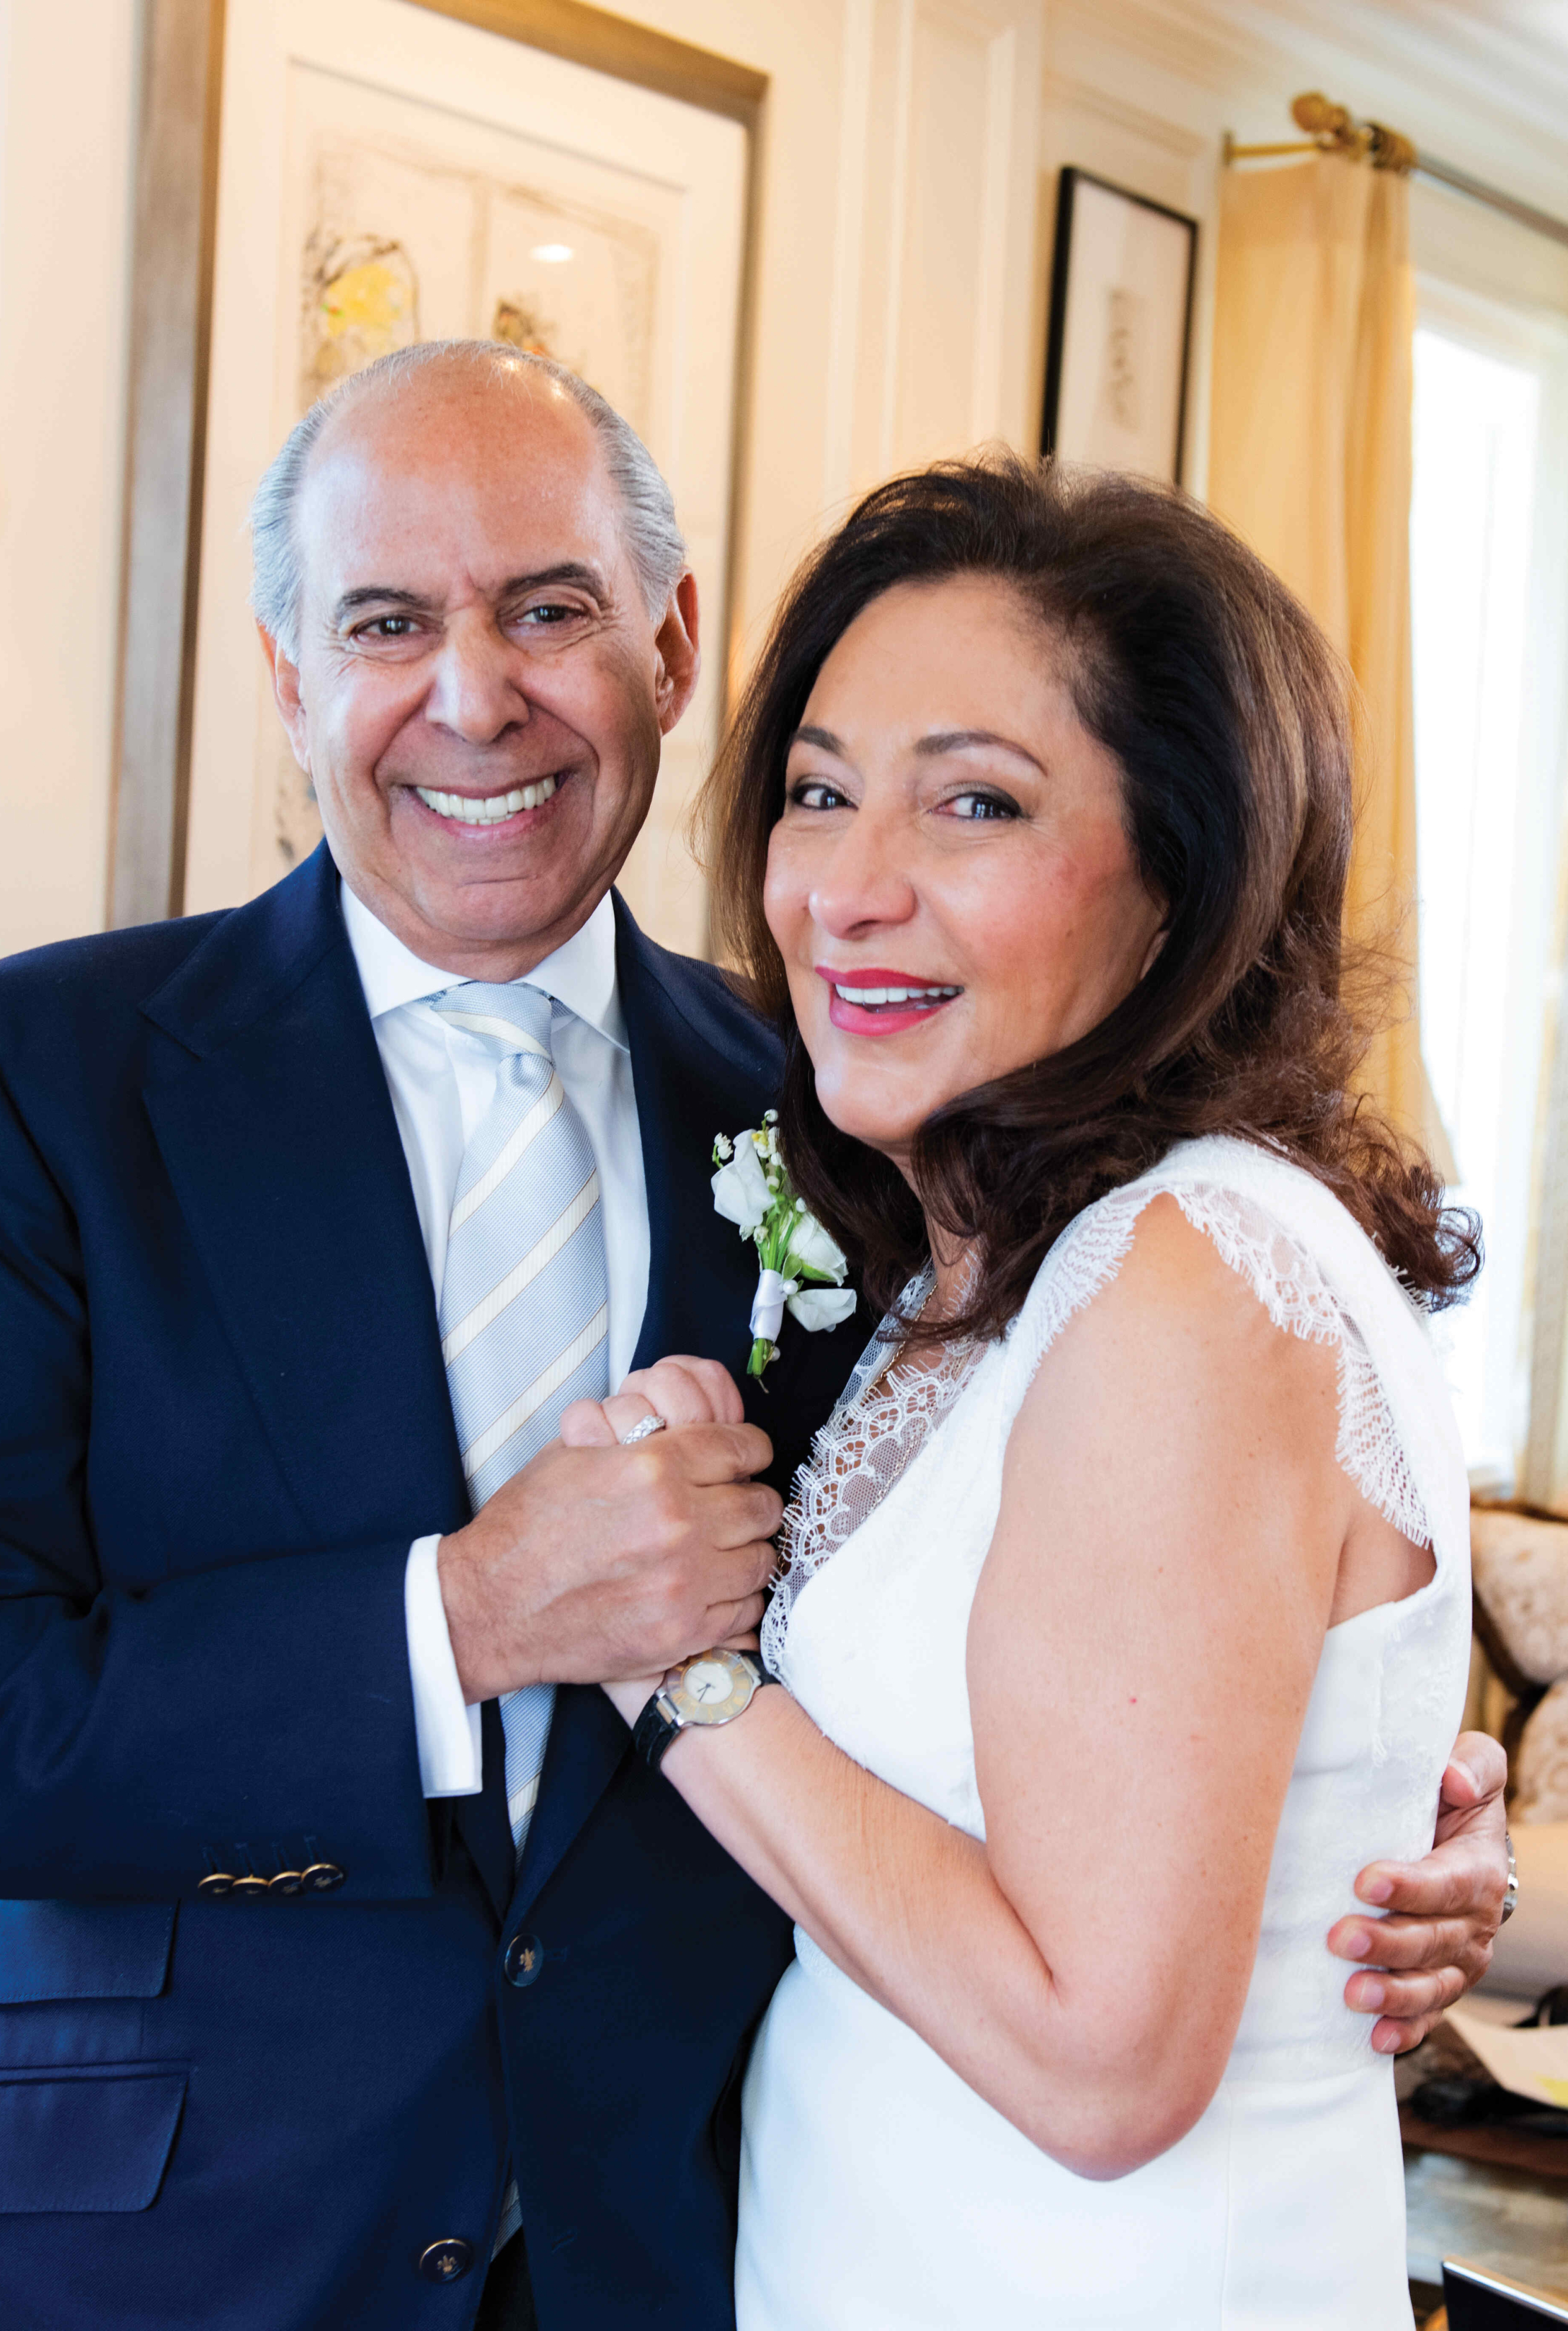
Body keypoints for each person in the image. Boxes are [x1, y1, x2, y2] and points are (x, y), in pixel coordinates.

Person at [0, 352, 1505, 2331]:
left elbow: (1084, 1610)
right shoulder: (27, 1081)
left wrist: (1340, 1809)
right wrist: (462, 1621)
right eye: (388, 623)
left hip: (674, 2262)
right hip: (141, 2265)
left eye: (550, 608)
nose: (472, 692)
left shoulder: (862, 1104)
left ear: (672, 648)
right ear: (289, 681)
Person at [566, 455, 1502, 2328]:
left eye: (974, 801)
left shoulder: (1186, 1281)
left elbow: (1100, 2064)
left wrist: (676, 1662)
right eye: (819, 792)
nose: (850, 889)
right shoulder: (987, 1259)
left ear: (1185, 874)